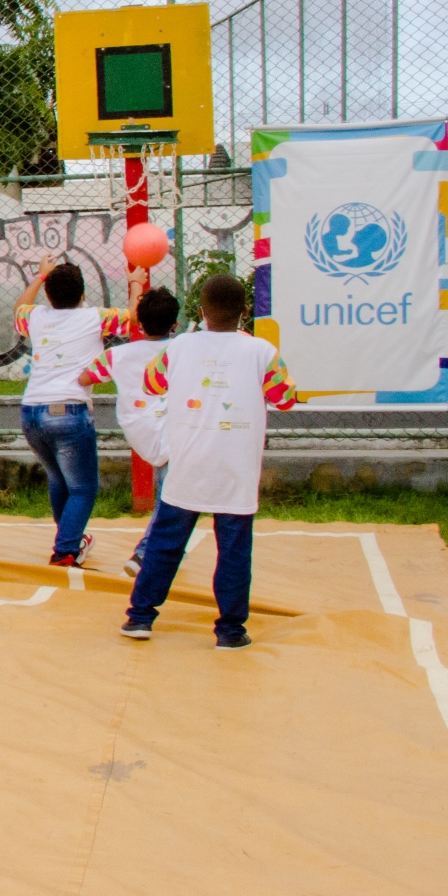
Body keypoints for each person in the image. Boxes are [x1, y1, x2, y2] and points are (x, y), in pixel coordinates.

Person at [121, 275, 296, 649]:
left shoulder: (179, 347)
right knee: (234, 553)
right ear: (244, 312)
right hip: (236, 471)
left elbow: (152, 384)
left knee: (165, 545)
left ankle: (140, 617)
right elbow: (285, 398)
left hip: (187, 466)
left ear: (201, 311)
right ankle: (230, 631)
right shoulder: (262, 352)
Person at [15, 257, 145, 568]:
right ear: (83, 293)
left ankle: (70, 540)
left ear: (48, 295)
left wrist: (40, 275)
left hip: (31, 411)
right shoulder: (95, 317)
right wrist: (136, 282)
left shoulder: (36, 316)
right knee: (84, 488)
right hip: (69, 411)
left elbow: (19, 307)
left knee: (58, 479)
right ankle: (65, 550)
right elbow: (134, 318)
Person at [76, 286, 181, 577]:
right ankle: (145, 552)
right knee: (170, 494)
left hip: (140, 429)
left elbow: (84, 377)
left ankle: (168, 547)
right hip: (174, 428)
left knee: (171, 488)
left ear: (140, 322)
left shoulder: (117, 355)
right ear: (174, 323)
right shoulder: (184, 350)